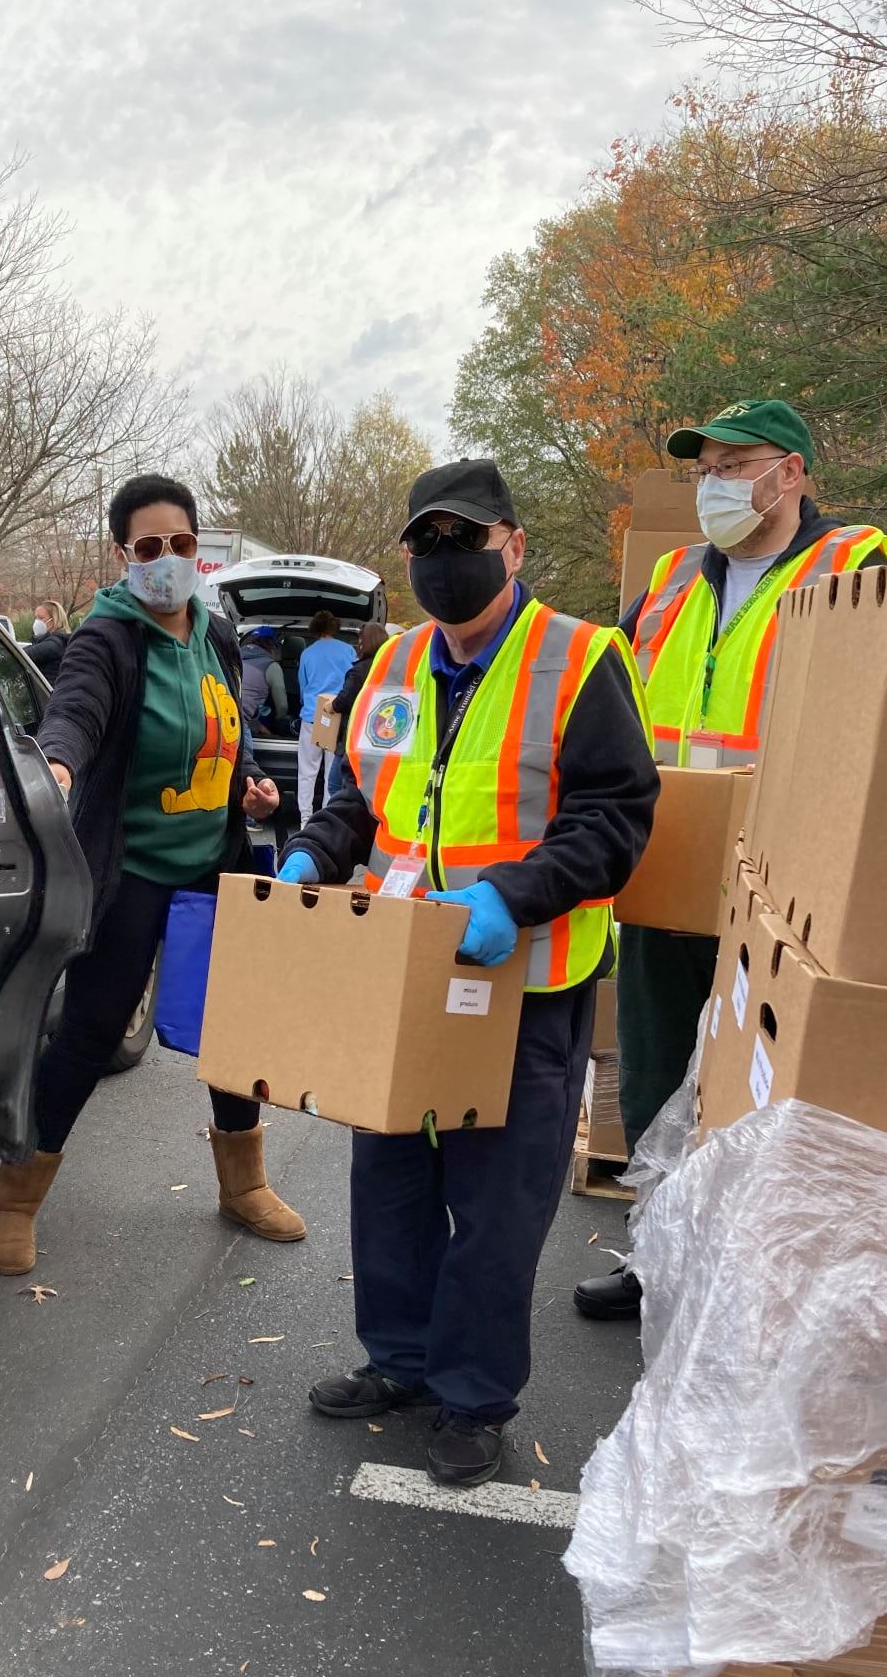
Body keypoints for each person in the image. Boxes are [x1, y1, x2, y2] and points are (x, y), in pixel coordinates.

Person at [279, 460, 659, 1486]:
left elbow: (617, 818)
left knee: (498, 1207)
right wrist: (315, 849)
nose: (447, 561)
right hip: (405, 972)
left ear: (514, 544)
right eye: (427, 544)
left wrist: (514, 896)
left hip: (524, 979)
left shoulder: (580, 659)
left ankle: (474, 1394)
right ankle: (398, 1363)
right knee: (391, 1183)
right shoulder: (392, 662)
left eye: (466, 539)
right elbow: (364, 794)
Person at [574, 399, 887, 1323]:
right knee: (656, 1062)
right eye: (705, 466)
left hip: (781, 872)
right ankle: (656, 1255)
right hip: (670, 856)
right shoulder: (674, 576)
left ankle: (744, 1273)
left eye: (735, 462)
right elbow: (615, 698)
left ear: (791, 472)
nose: (714, 481)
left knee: (761, 1078)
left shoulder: (852, 566)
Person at [0, 473, 306, 1275]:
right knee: (89, 1034)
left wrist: (251, 784)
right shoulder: (108, 637)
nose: (168, 559)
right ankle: (15, 1198)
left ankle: (243, 1183)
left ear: (200, 548)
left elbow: (232, 729)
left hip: (214, 866)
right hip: (134, 872)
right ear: (124, 555)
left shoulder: (217, 635)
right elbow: (77, 711)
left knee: (235, 1029)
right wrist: (57, 767)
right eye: (150, 547)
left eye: (182, 544)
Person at [294, 610, 353, 821]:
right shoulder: (349, 651)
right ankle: (326, 819)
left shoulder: (307, 653)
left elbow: (303, 686)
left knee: (307, 772)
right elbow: (352, 684)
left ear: (315, 629)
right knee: (331, 773)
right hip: (337, 717)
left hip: (311, 715)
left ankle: (304, 818)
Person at [325, 619, 387, 798]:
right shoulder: (387, 667)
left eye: (360, 640)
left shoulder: (359, 670)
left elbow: (344, 700)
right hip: (379, 735)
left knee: (336, 786)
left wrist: (331, 705)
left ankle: (341, 823)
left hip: (353, 737)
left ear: (364, 642)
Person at [239, 625, 289, 733]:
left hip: (224, 717)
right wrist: (280, 721)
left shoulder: (235, 658)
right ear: (272, 645)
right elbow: (282, 706)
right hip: (244, 723)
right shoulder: (271, 666)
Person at [30, 600, 70, 685]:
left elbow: (24, 654)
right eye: (36, 617)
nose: (37, 621)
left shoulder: (55, 644)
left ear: (54, 620)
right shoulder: (45, 641)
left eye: (40, 618)